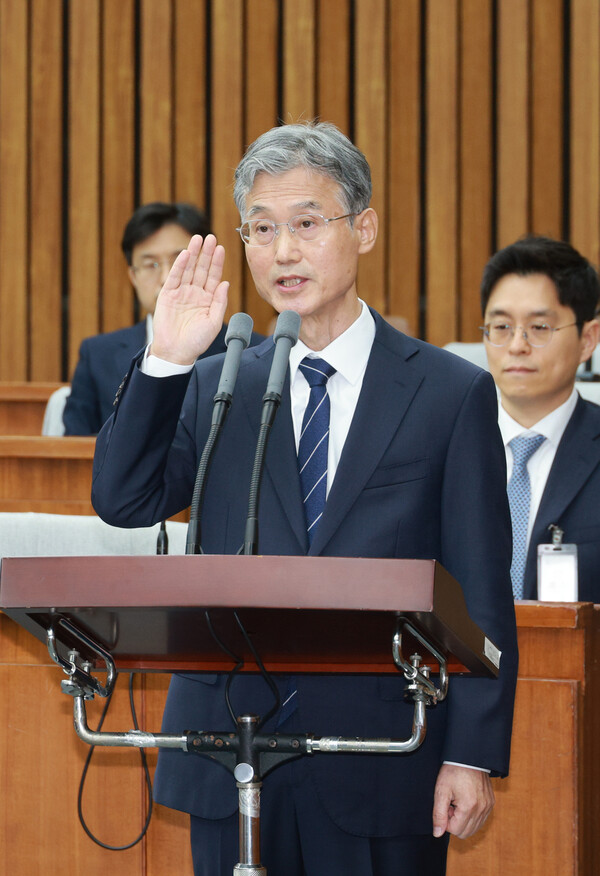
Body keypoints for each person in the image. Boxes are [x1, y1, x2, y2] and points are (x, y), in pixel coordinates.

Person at [92, 121, 518, 876]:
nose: (283, 250)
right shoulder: (218, 382)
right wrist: (163, 360)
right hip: (230, 750)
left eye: (306, 224)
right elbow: (123, 499)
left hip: (385, 756)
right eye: (261, 228)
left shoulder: (450, 393)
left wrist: (473, 757)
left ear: (364, 227)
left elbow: (480, 587)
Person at [63, 201, 263, 435]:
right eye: (151, 265)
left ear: (207, 264)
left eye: (180, 260)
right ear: (133, 277)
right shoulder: (97, 354)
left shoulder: (254, 352)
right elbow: (77, 450)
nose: (167, 277)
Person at [480, 235, 600, 602]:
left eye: (540, 328)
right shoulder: (442, 445)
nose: (517, 345)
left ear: (587, 338)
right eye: (501, 327)